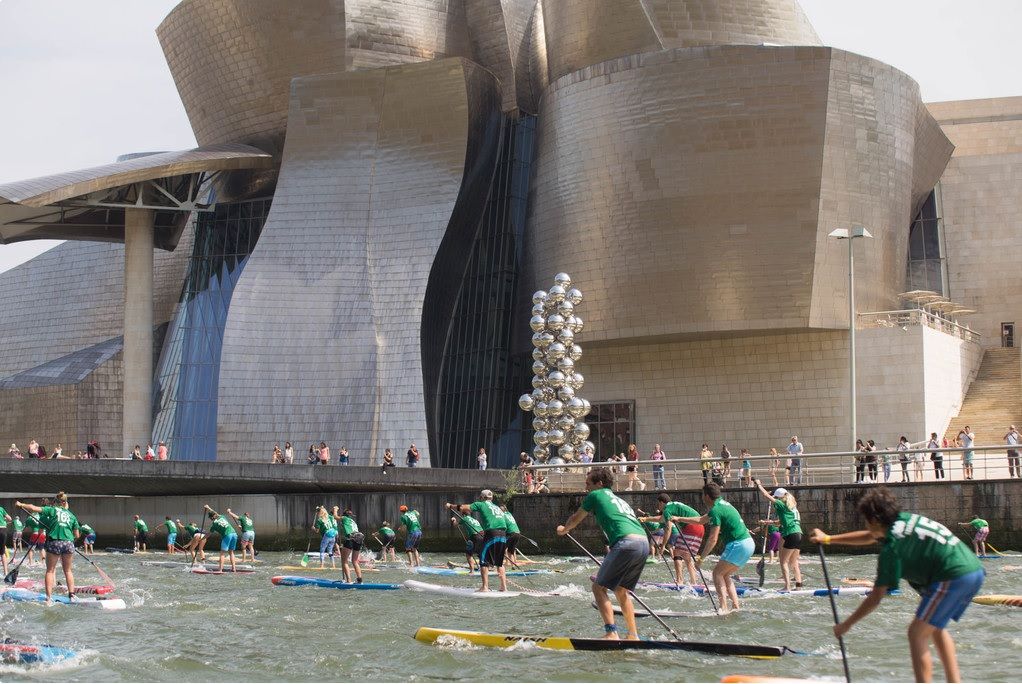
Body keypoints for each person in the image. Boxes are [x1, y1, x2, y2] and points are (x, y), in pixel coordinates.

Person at [810, 487, 984, 683]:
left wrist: (846, 625)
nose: (866, 524)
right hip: (973, 570)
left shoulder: (891, 548)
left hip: (953, 576)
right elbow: (870, 536)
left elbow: (876, 597)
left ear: (874, 520)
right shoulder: (903, 521)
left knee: (916, 633)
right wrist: (828, 539)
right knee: (934, 628)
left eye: (866, 520)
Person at [556, 467, 649, 640]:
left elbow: (576, 518)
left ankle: (611, 632)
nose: (586, 487)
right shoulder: (619, 499)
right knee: (622, 591)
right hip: (643, 543)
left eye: (588, 483)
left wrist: (563, 529)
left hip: (626, 543)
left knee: (598, 588)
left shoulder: (595, 495)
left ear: (599, 484)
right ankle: (633, 635)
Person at [673, 483, 754, 615]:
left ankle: (723, 608)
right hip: (749, 543)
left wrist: (701, 559)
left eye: (702, 495)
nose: (702, 498)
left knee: (717, 573)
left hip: (738, 543)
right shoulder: (723, 504)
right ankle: (735, 605)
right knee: (725, 574)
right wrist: (679, 518)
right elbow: (700, 520)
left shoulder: (716, 510)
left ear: (707, 496)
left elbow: (713, 539)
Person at [15, 493, 80, 603]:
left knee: (50, 571)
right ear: (65, 503)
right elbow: (77, 535)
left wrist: (21, 504)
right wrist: (67, 538)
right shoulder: (71, 515)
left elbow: (34, 508)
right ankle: (72, 595)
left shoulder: (52, 510)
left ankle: (48, 598)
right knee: (68, 570)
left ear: (55, 502)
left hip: (54, 542)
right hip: (69, 543)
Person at [446, 490, 508, 592]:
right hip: (503, 534)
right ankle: (504, 587)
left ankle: (485, 587)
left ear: (482, 498)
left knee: (483, 561)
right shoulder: (497, 507)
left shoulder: (481, 504)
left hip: (491, 533)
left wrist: (450, 506)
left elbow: (462, 507)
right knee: (499, 563)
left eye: (480, 497)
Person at [752, 479, 803, 590]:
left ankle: (787, 587)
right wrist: (767, 522)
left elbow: (766, 495)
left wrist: (759, 484)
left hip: (790, 534)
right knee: (794, 562)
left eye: (775, 498)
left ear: (779, 497)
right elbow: (780, 522)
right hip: (799, 534)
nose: (774, 500)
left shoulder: (781, 503)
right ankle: (799, 586)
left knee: (783, 562)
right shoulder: (792, 506)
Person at [649, 492, 702, 587]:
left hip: (691, 527)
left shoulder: (667, 509)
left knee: (677, 552)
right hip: (700, 527)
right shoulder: (673, 506)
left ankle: (679, 581)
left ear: (661, 502)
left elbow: (668, 529)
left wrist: (663, 545)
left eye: (658, 504)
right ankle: (694, 582)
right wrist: (646, 519)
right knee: (687, 556)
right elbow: (661, 519)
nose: (658, 506)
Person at [334, 507, 364, 583]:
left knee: (344, 561)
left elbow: (335, 517)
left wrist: (335, 510)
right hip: (359, 537)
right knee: (354, 561)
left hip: (351, 538)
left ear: (344, 515)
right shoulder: (352, 521)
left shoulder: (344, 518)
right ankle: (359, 579)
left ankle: (348, 580)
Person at [204, 505, 238, 572]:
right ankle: (234, 569)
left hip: (227, 535)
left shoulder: (214, 525)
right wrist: (208, 508)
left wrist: (201, 539)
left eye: (210, 518)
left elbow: (208, 534)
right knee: (231, 552)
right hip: (234, 534)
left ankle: (220, 570)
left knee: (222, 553)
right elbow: (215, 513)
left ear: (211, 518)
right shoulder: (222, 517)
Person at [451, 508, 484, 572]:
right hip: (483, 536)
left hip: (475, 537)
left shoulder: (465, 518)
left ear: (463, 514)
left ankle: (472, 571)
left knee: (468, 554)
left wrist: (453, 520)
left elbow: (455, 524)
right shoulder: (475, 520)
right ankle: (484, 569)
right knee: (481, 554)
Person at [0, 502, 10, 576]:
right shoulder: (1, 508)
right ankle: (5, 572)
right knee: (2, 552)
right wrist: (3, 519)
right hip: (3, 530)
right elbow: (9, 518)